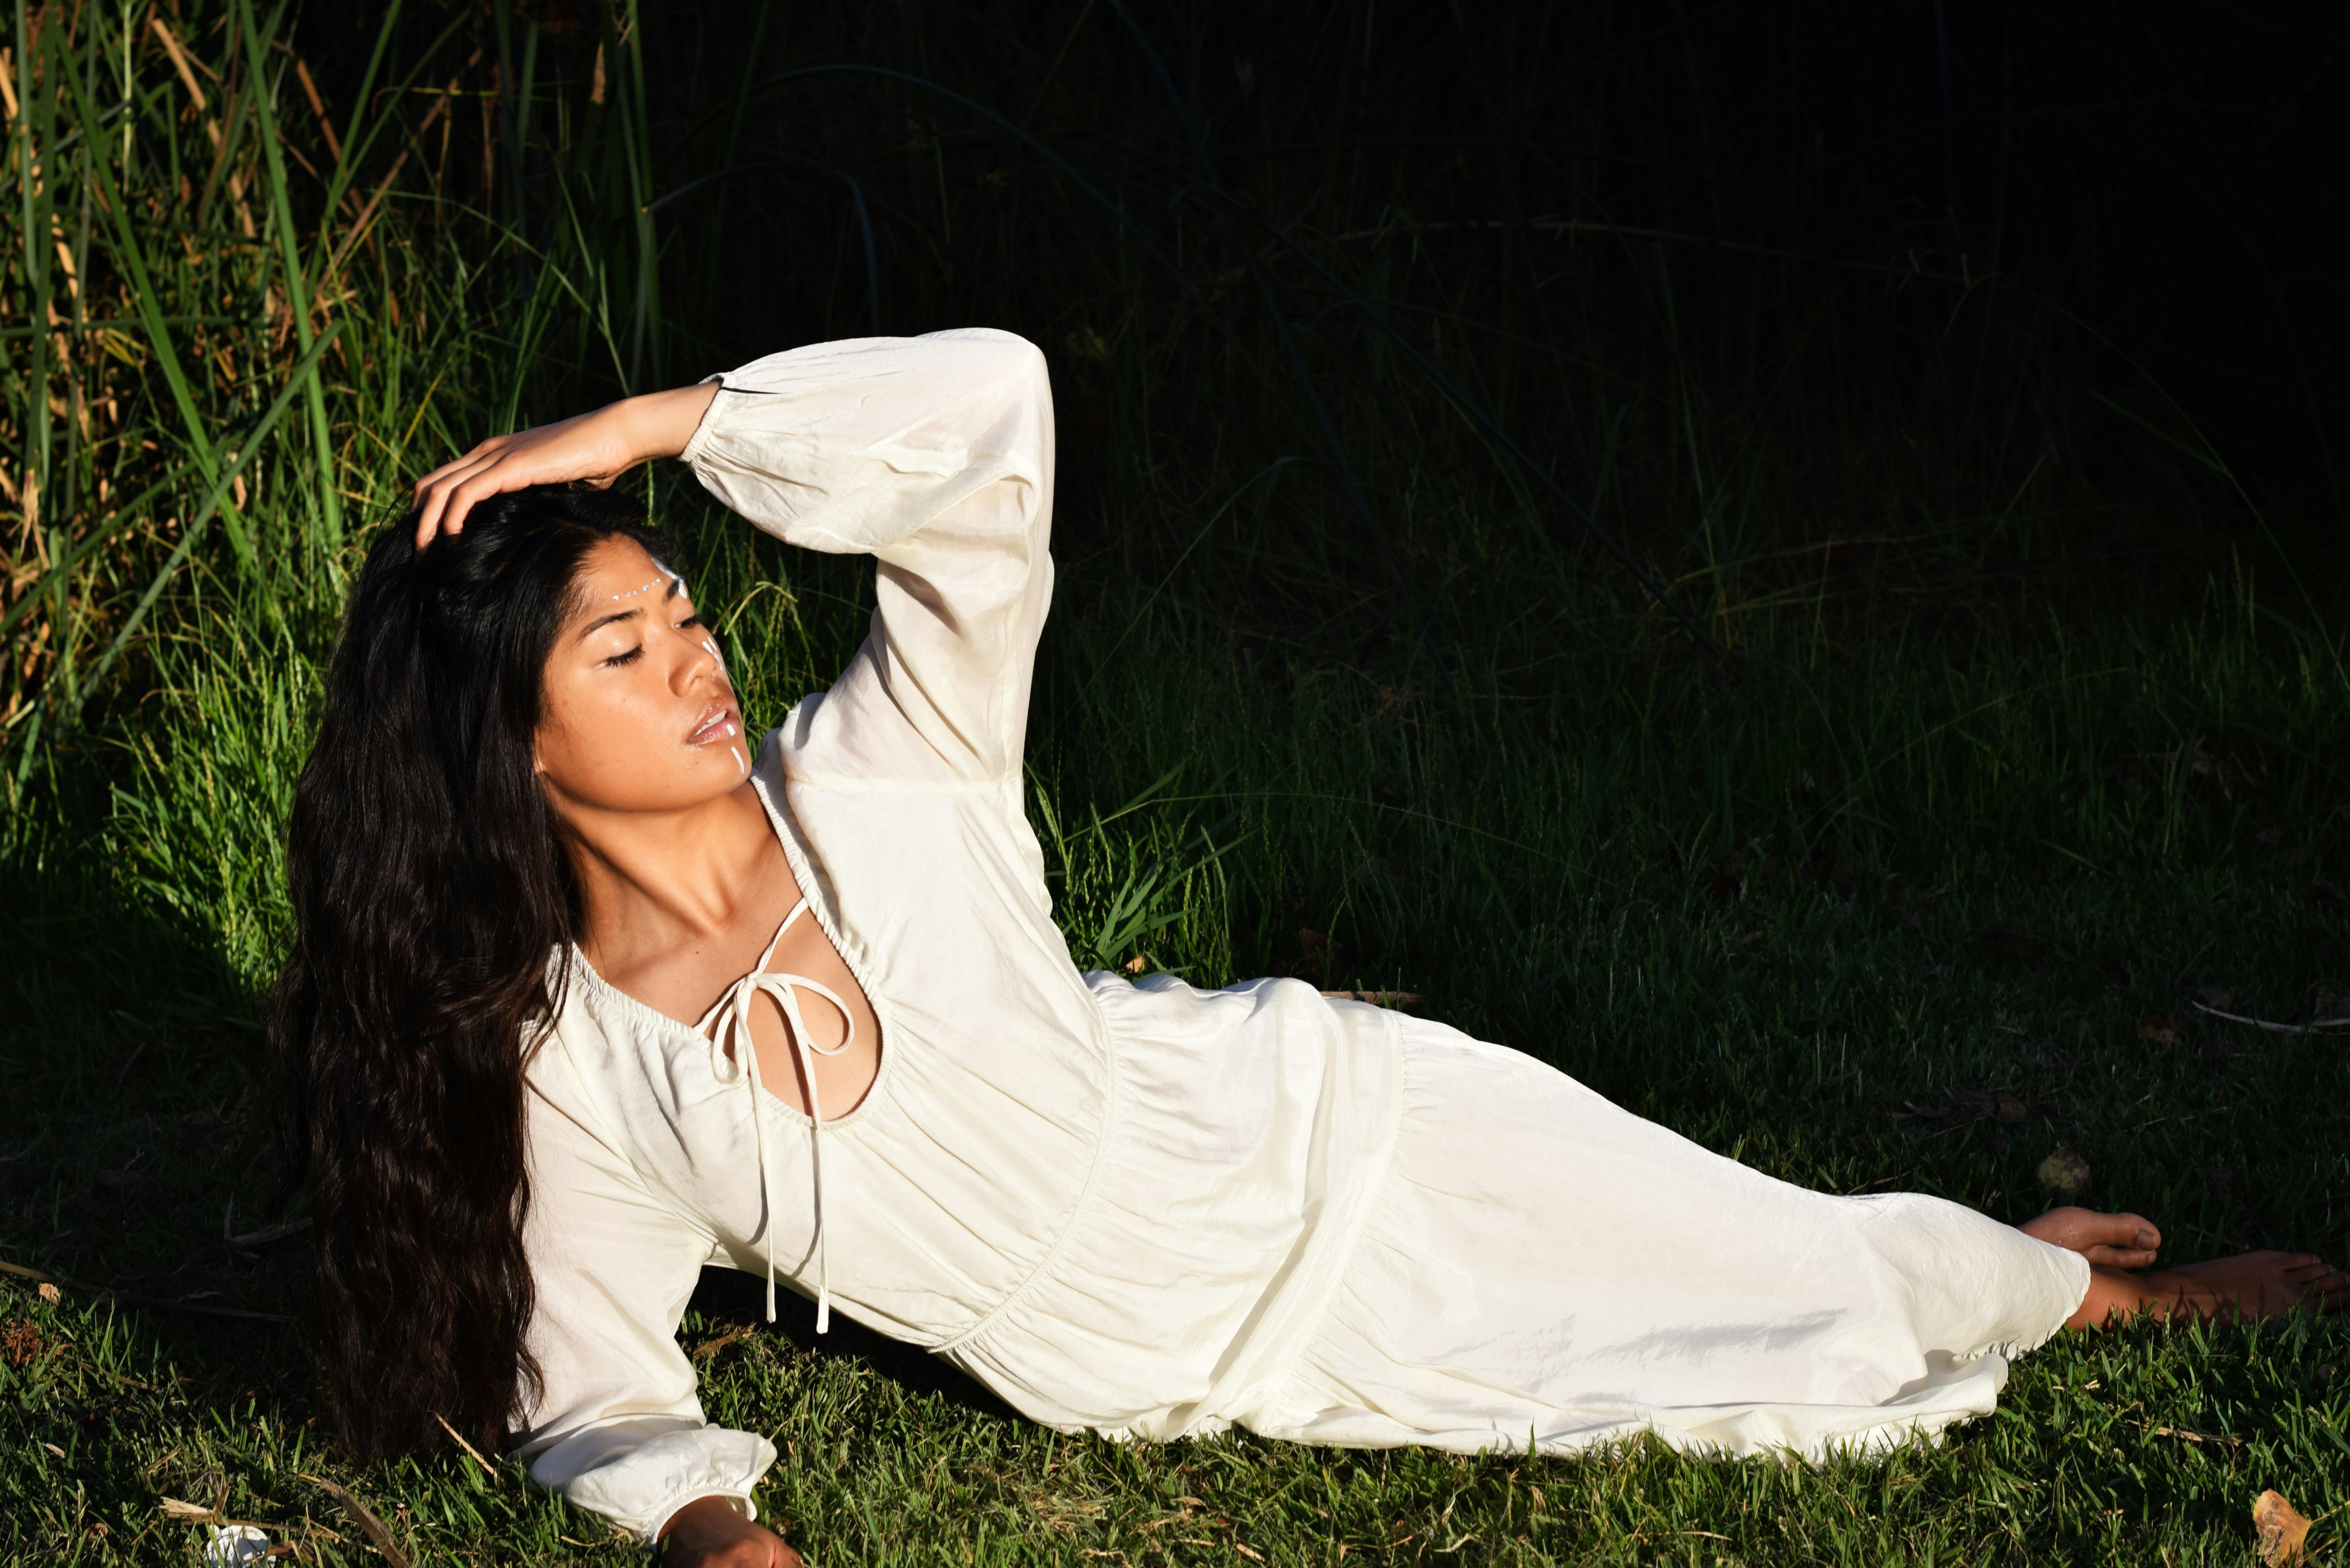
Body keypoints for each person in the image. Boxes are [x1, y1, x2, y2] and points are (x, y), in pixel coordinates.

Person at [279, 329, 2349, 1568]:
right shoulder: (572, 1053)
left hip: (1322, 1123)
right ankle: (1991, 1271)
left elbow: (990, 415)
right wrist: (716, 1535)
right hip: (1194, 1362)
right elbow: (598, 1388)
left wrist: (647, 428)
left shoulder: (881, 770)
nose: (696, 665)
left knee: (1766, 1258)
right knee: (1718, 1381)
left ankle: (2084, 1311)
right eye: (620, 652)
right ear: (509, 751)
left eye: (689, 616)